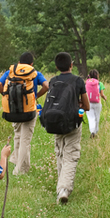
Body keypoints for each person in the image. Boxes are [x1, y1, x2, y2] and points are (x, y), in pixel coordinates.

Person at [43, 52, 89, 204]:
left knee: (60, 152)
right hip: (72, 123)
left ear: (56, 66)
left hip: (55, 122)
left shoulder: (53, 80)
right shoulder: (78, 81)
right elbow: (87, 105)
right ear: (72, 65)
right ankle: (64, 189)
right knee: (71, 154)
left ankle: (60, 185)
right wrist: (78, 105)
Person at [0, 52, 49, 175]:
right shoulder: (35, 73)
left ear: (19, 63)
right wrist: (35, 97)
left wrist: (6, 97)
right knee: (25, 140)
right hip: (29, 110)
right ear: (31, 64)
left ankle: (23, 165)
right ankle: (18, 170)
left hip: (14, 109)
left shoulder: (11, 72)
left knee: (18, 136)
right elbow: (46, 85)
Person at [85, 69, 107, 138]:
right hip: (97, 103)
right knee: (97, 117)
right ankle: (96, 131)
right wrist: (105, 98)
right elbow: (102, 94)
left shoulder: (86, 83)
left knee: (91, 118)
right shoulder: (100, 83)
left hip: (89, 103)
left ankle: (92, 131)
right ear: (97, 75)